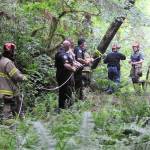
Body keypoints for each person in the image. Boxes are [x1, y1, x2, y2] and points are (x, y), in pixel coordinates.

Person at [0, 43, 27, 121]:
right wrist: (24, 78)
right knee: (12, 105)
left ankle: (16, 121)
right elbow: (17, 76)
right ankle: (14, 123)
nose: (14, 53)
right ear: (10, 51)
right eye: (13, 51)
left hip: (3, 89)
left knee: (12, 104)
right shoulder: (8, 63)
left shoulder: (1, 60)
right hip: (9, 89)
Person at [55, 40, 77, 109]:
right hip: (62, 76)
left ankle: (69, 106)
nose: (70, 47)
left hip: (68, 76)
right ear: (66, 46)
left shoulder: (67, 53)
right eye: (69, 45)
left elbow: (72, 62)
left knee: (69, 91)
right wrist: (73, 69)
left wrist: (73, 56)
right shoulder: (61, 53)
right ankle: (61, 108)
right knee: (63, 92)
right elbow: (66, 65)